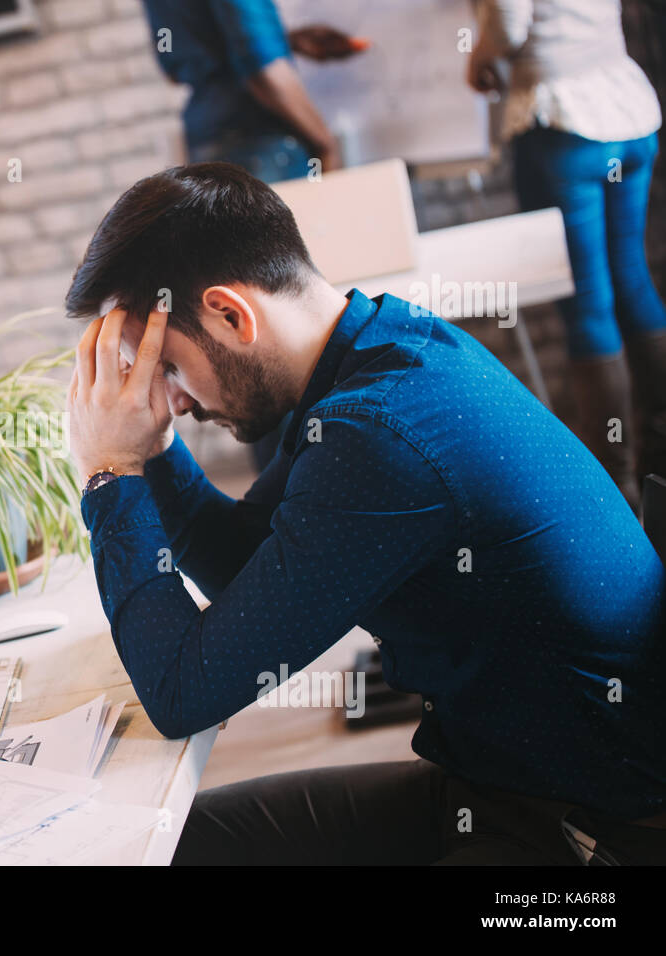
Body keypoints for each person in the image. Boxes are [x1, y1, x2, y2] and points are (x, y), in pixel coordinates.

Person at [63, 162, 666, 864]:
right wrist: (155, 447)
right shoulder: (380, 350)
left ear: (230, 314)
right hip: (499, 788)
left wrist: (111, 473)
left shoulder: (380, 432)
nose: (177, 399)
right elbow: (243, 568)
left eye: (166, 367)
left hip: (587, 837)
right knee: (166, 847)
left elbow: (182, 691)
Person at [139, 0, 366, 471]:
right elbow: (262, 69)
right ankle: (309, 488)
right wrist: (324, 141)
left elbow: (183, 58)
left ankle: (278, 493)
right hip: (263, 143)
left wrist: (286, 41)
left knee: (246, 342)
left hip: (213, 135)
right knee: (283, 336)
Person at [468, 0, 666, 512]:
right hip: (627, 108)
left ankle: (619, 489)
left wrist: (478, 58)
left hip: (564, 119)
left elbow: (509, 23)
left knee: (589, 305)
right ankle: (658, 458)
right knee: (632, 278)